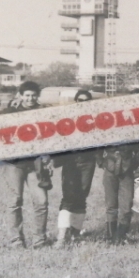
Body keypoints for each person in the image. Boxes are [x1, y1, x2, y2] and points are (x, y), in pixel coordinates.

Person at [3, 81, 52, 247]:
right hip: (14, 164)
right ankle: (16, 239)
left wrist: (48, 156)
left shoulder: (44, 112)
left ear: (37, 96)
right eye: (27, 95)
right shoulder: (10, 111)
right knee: (14, 201)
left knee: (41, 201)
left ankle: (40, 239)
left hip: (36, 164)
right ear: (21, 95)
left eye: (33, 95)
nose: (30, 98)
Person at [53, 90, 97, 248]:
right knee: (69, 197)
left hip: (87, 162)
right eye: (79, 100)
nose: (82, 103)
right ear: (75, 101)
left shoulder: (94, 120)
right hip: (71, 162)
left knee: (82, 196)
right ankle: (61, 236)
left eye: (86, 100)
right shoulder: (67, 119)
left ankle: (75, 234)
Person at [98, 141, 139, 243]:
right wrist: (101, 162)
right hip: (110, 169)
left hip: (127, 170)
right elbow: (96, 146)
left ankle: (121, 235)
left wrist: (133, 164)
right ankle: (110, 236)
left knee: (127, 205)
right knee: (111, 204)